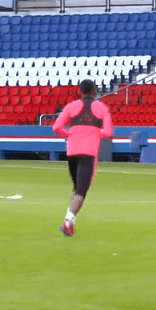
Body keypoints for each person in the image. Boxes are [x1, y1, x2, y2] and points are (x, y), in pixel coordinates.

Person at [52, 79, 113, 237]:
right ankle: (67, 222)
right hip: (88, 153)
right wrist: (93, 132)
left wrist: (69, 134)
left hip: (72, 152)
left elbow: (56, 127)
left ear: (81, 91)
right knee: (81, 191)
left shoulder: (71, 106)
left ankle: (70, 220)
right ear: (94, 91)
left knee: (76, 188)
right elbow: (107, 133)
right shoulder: (102, 108)